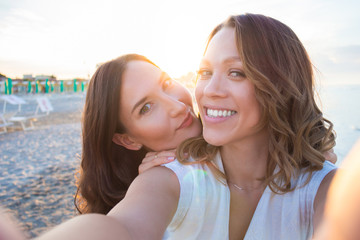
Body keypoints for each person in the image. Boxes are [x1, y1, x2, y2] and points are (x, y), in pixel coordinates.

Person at [37, 13, 337, 239]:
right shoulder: (166, 178)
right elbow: (119, 227)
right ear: (127, 140)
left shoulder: (321, 187)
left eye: (235, 72)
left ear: (282, 85)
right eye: (206, 71)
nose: (205, 92)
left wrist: (312, 154)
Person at [74, 54, 202, 214]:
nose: (178, 107)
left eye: (167, 83)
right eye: (146, 108)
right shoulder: (158, 182)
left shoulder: (229, 129)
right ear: (128, 140)